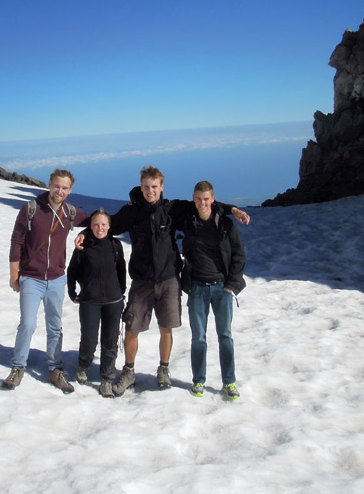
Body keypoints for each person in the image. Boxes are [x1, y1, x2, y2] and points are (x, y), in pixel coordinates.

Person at [91, 165, 249, 396]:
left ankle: (163, 369)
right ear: (141, 187)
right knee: (132, 328)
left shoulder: (173, 209)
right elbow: (108, 225)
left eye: (154, 186)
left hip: (169, 278)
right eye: (146, 186)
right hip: (142, 279)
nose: (150, 190)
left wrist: (232, 209)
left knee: (166, 328)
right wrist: (87, 231)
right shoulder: (133, 211)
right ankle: (129, 371)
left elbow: (204, 204)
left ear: (161, 187)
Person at [3, 169, 90, 393]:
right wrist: (14, 274)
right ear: (50, 184)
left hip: (57, 278)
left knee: (55, 326)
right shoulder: (31, 209)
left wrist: (85, 234)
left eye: (64, 188)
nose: (59, 191)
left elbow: (96, 222)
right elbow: (16, 241)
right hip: (31, 277)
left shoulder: (70, 212)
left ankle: (55, 369)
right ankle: (18, 366)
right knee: (28, 324)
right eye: (56, 186)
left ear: (70, 190)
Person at [180, 180, 246, 400]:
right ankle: (198, 380)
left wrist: (232, 285)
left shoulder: (225, 224)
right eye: (198, 199)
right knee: (198, 338)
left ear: (213, 199)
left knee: (225, 336)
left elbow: (238, 255)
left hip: (221, 288)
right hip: (197, 287)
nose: (202, 203)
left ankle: (229, 382)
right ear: (193, 199)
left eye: (206, 199)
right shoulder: (188, 220)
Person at [67, 209, 126, 398]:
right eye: (95, 224)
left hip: (113, 301)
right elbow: (72, 270)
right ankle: (83, 366)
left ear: (109, 226)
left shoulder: (115, 245)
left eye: (103, 224)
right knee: (89, 339)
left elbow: (121, 269)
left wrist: (120, 291)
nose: (99, 228)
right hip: (90, 300)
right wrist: (72, 292)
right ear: (90, 227)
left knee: (110, 341)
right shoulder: (84, 246)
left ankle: (107, 379)